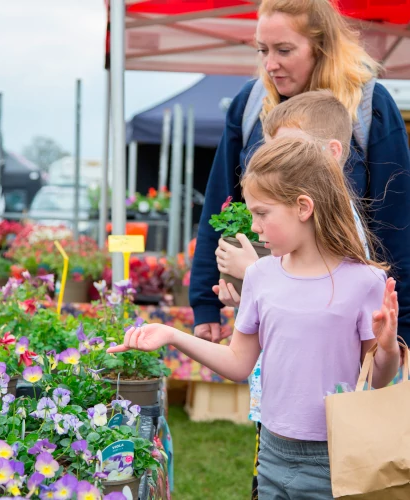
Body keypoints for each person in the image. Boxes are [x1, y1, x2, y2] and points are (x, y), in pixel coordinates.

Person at [109, 136, 402, 499]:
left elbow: (377, 380)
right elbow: (238, 363)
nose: (255, 226)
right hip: (271, 453)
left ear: (303, 207)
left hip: (337, 458)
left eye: (262, 213)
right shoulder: (260, 276)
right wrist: (171, 335)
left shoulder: (365, 281)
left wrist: (388, 348)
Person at [189, 0, 410, 345]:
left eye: (284, 50)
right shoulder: (250, 104)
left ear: (321, 47)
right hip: (269, 312)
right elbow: (220, 200)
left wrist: (402, 328)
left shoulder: (370, 106)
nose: (270, 64)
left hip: (346, 320)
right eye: (262, 50)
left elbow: (397, 224)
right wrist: (206, 302)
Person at [212, 90, 370, 500]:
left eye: (289, 148)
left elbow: (331, 305)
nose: (276, 159)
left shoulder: (352, 256)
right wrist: (255, 293)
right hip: (280, 427)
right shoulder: (279, 257)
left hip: (324, 439)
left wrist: (255, 274)